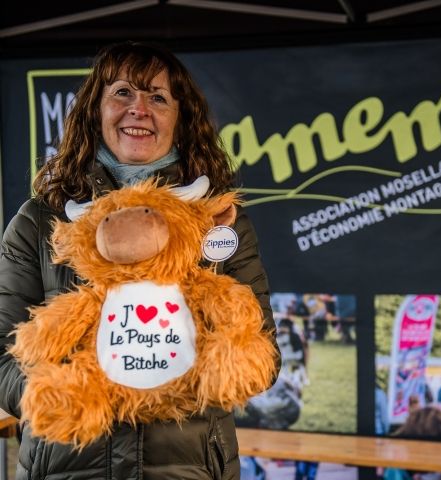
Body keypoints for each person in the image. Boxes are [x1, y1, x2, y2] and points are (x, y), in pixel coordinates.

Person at [0, 41, 279, 480]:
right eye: (123, 93)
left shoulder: (217, 220)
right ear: (96, 110)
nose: (139, 109)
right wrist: (67, 396)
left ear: (179, 119)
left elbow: (263, 351)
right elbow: (4, 353)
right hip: (67, 466)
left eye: (157, 97)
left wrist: (167, 382)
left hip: (189, 468)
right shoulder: (40, 221)